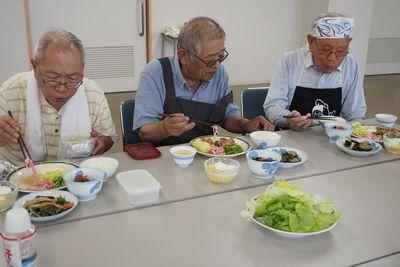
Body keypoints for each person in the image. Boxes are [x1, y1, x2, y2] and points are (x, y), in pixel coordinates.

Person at [133, 16, 274, 146]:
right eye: (209, 61)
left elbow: (227, 116)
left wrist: (246, 124)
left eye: (220, 56)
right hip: (162, 156)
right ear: (183, 56)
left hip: (205, 154)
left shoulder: (219, 73)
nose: (217, 65)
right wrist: (163, 128)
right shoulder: (156, 72)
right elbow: (144, 131)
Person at [0, 29, 116, 164]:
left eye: (72, 78)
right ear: (34, 66)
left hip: (75, 175)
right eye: (52, 77)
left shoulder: (93, 93)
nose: (61, 89)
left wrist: (102, 143)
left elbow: (108, 137)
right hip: (19, 175)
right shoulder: (11, 91)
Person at [263, 12, 366, 131]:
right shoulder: (290, 61)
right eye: (325, 50)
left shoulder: (351, 64)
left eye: (340, 51)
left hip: (329, 138)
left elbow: (356, 114)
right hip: (291, 136)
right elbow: (273, 105)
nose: (332, 58)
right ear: (311, 41)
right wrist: (288, 119)